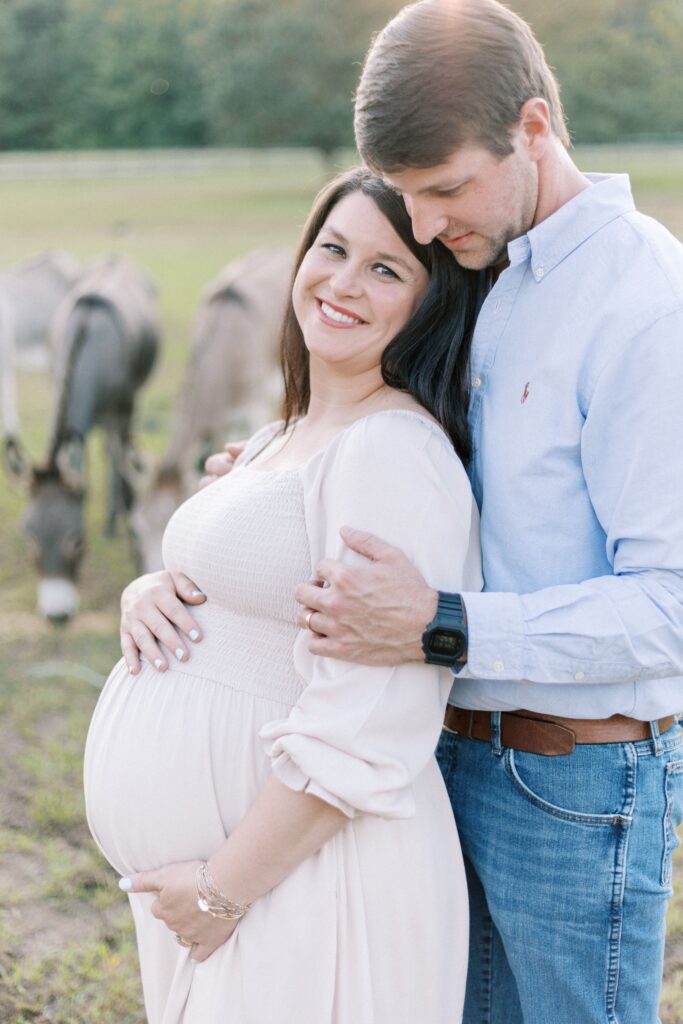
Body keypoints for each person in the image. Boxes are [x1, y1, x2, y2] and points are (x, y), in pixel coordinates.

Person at [126, 2, 683, 1022]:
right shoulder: (485, 266)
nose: (422, 227)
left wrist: (443, 623)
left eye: (442, 190)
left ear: (530, 128)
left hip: (565, 779)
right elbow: (395, 459)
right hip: (429, 762)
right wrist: (248, 512)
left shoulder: (638, 302)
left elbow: (668, 605)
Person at [84, 167, 485, 1024]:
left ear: (429, 306)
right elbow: (244, 582)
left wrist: (222, 891)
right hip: (236, 898)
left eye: (385, 270)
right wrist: (149, 592)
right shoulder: (285, 436)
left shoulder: (391, 452)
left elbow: (371, 717)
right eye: (332, 249)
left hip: (303, 887)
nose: (342, 282)